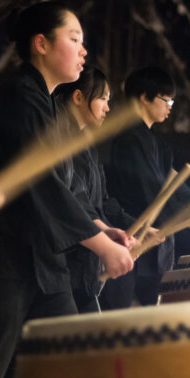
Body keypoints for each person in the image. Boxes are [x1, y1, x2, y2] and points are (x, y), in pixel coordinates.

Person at [0, 2, 134, 378]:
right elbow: (41, 188)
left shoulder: (46, 106)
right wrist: (101, 244)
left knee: (70, 370)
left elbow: (66, 193)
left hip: (42, 270)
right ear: (41, 44)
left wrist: (101, 228)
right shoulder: (16, 100)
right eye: (75, 39)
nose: (84, 51)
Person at [98, 66, 190, 308]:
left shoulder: (156, 142)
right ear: (144, 97)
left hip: (154, 248)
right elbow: (153, 194)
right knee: (121, 325)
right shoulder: (128, 140)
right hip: (129, 242)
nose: (170, 107)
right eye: (166, 100)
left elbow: (173, 185)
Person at [53, 67, 137, 313]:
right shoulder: (59, 141)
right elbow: (73, 202)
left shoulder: (85, 145)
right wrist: (104, 239)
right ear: (78, 98)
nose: (107, 108)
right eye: (103, 99)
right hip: (67, 263)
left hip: (83, 263)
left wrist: (129, 228)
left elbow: (102, 202)